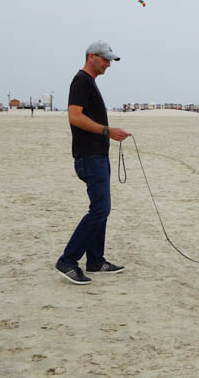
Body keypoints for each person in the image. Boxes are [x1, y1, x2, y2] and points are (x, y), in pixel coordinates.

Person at [55, 40, 131, 285]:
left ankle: (96, 260)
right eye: (105, 59)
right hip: (89, 157)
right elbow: (74, 117)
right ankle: (68, 261)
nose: (108, 64)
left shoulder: (90, 82)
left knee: (101, 209)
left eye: (110, 60)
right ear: (91, 57)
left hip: (98, 156)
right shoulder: (81, 81)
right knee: (100, 209)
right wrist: (108, 131)